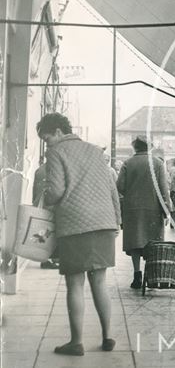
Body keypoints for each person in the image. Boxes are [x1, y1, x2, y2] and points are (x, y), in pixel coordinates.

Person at [37, 113, 119, 356]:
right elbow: (112, 189)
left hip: (75, 225)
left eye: (47, 137)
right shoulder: (95, 151)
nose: (47, 143)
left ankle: (77, 342)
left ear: (59, 132)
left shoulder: (56, 152)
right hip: (104, 223)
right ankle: (107, 336)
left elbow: (56, 191)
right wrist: (116, 221)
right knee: (100, 281)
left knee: (75, 284)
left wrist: (46, 198)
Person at [117, 136, 169, 289]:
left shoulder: (127, 163)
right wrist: (166, 210)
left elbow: (119, 186)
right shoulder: (158, 164)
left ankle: (137, 274)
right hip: (153, 209)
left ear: (135, 147)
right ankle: (151, 276)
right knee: (153, 242)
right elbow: (163, 189)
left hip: (132, 210)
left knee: (135, 243)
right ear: (150, 147)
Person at [32, 157, 59, 270]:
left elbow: (35, 190)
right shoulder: (52, 170)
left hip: (41, 205)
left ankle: (47, 259)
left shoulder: (40, 169)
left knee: (44, 233)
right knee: (50, 233)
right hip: (50, 206)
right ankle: (48, 260)